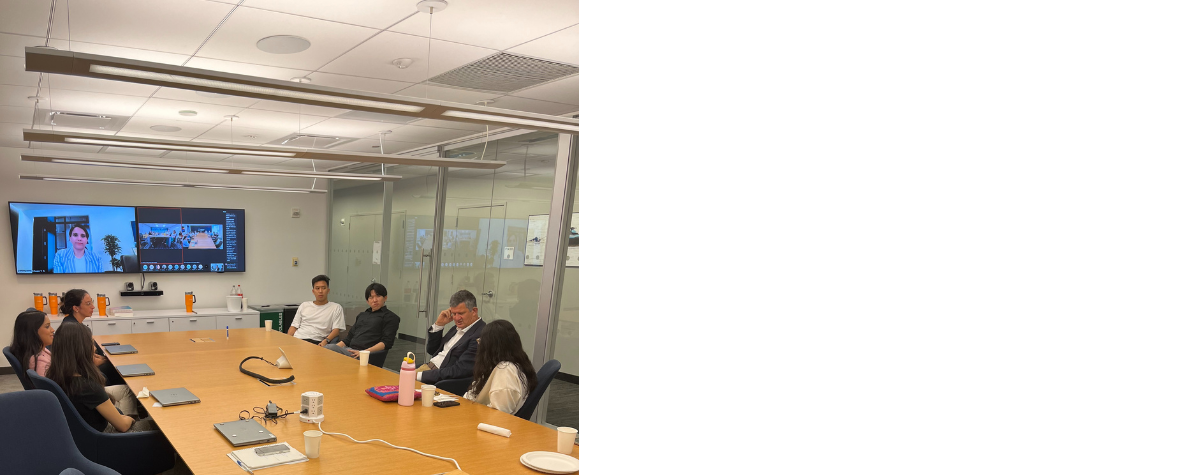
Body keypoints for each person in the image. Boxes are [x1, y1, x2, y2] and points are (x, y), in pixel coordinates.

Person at [47, 323, 155, 433]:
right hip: (105, 437)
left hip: (80, 432)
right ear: (81, 350)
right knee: (157, 426)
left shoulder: (55, 375)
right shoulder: (88, 387)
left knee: (125, 394)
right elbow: (123, 426)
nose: (94, 348)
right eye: (91, 343)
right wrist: (129, 419)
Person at [463, 319, 538, 414]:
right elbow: (473, 394)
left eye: (481, 342)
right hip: (476, 412)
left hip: (484, 419)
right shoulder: (511, 363)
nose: (479, 346)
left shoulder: (505, 372)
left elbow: (499, 414)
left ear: (490, 347)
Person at [417, 290, 487, 384]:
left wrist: (421, 375)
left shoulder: (480, 334)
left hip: (440, 379)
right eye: (454, 314)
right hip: (428, 368)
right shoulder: (458, 327)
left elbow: (460, 370)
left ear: (474, 311)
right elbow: (432, 350)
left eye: (461, 313)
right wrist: (439, 325)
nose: (457, 318)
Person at [59, 289, 125, 386]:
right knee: (117, 369)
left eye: (92, 302)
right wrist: (107, 360)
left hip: (79, 371)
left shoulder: (70, 323)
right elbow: (87, 362)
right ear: (76, 308)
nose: (93, 306)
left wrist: (103, 358)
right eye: (88, 304)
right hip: (82, 375)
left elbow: (90, 356)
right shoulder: (75, 330)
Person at [324, 283, 400, 361]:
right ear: (367, 301)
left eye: (378, 296)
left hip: (365, 355)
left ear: (385, 298)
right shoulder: (362, 315)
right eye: (371, 297)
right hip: (349, 350)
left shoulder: (390, 317)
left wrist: (363, 353)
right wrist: (334, 349)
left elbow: (386, 343)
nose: (375, 300)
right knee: (325, 350)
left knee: (329, 348)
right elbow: (348, 339)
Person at [288, 275, 346, 346]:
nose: (320, 291)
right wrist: (288, 340)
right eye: (317, 288)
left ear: (328, 291)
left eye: (323, 288)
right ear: (313, 291)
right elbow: (294, 326)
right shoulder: (304, 305)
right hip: (298, 339)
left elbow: (336, 330)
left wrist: (326, 341)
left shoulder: (336, 307)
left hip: (316, 342)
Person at [10, 310, 54, 376]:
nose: (53, 330)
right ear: (33, 332)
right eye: (47, 326)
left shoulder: (40, 350)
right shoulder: (40, 362)